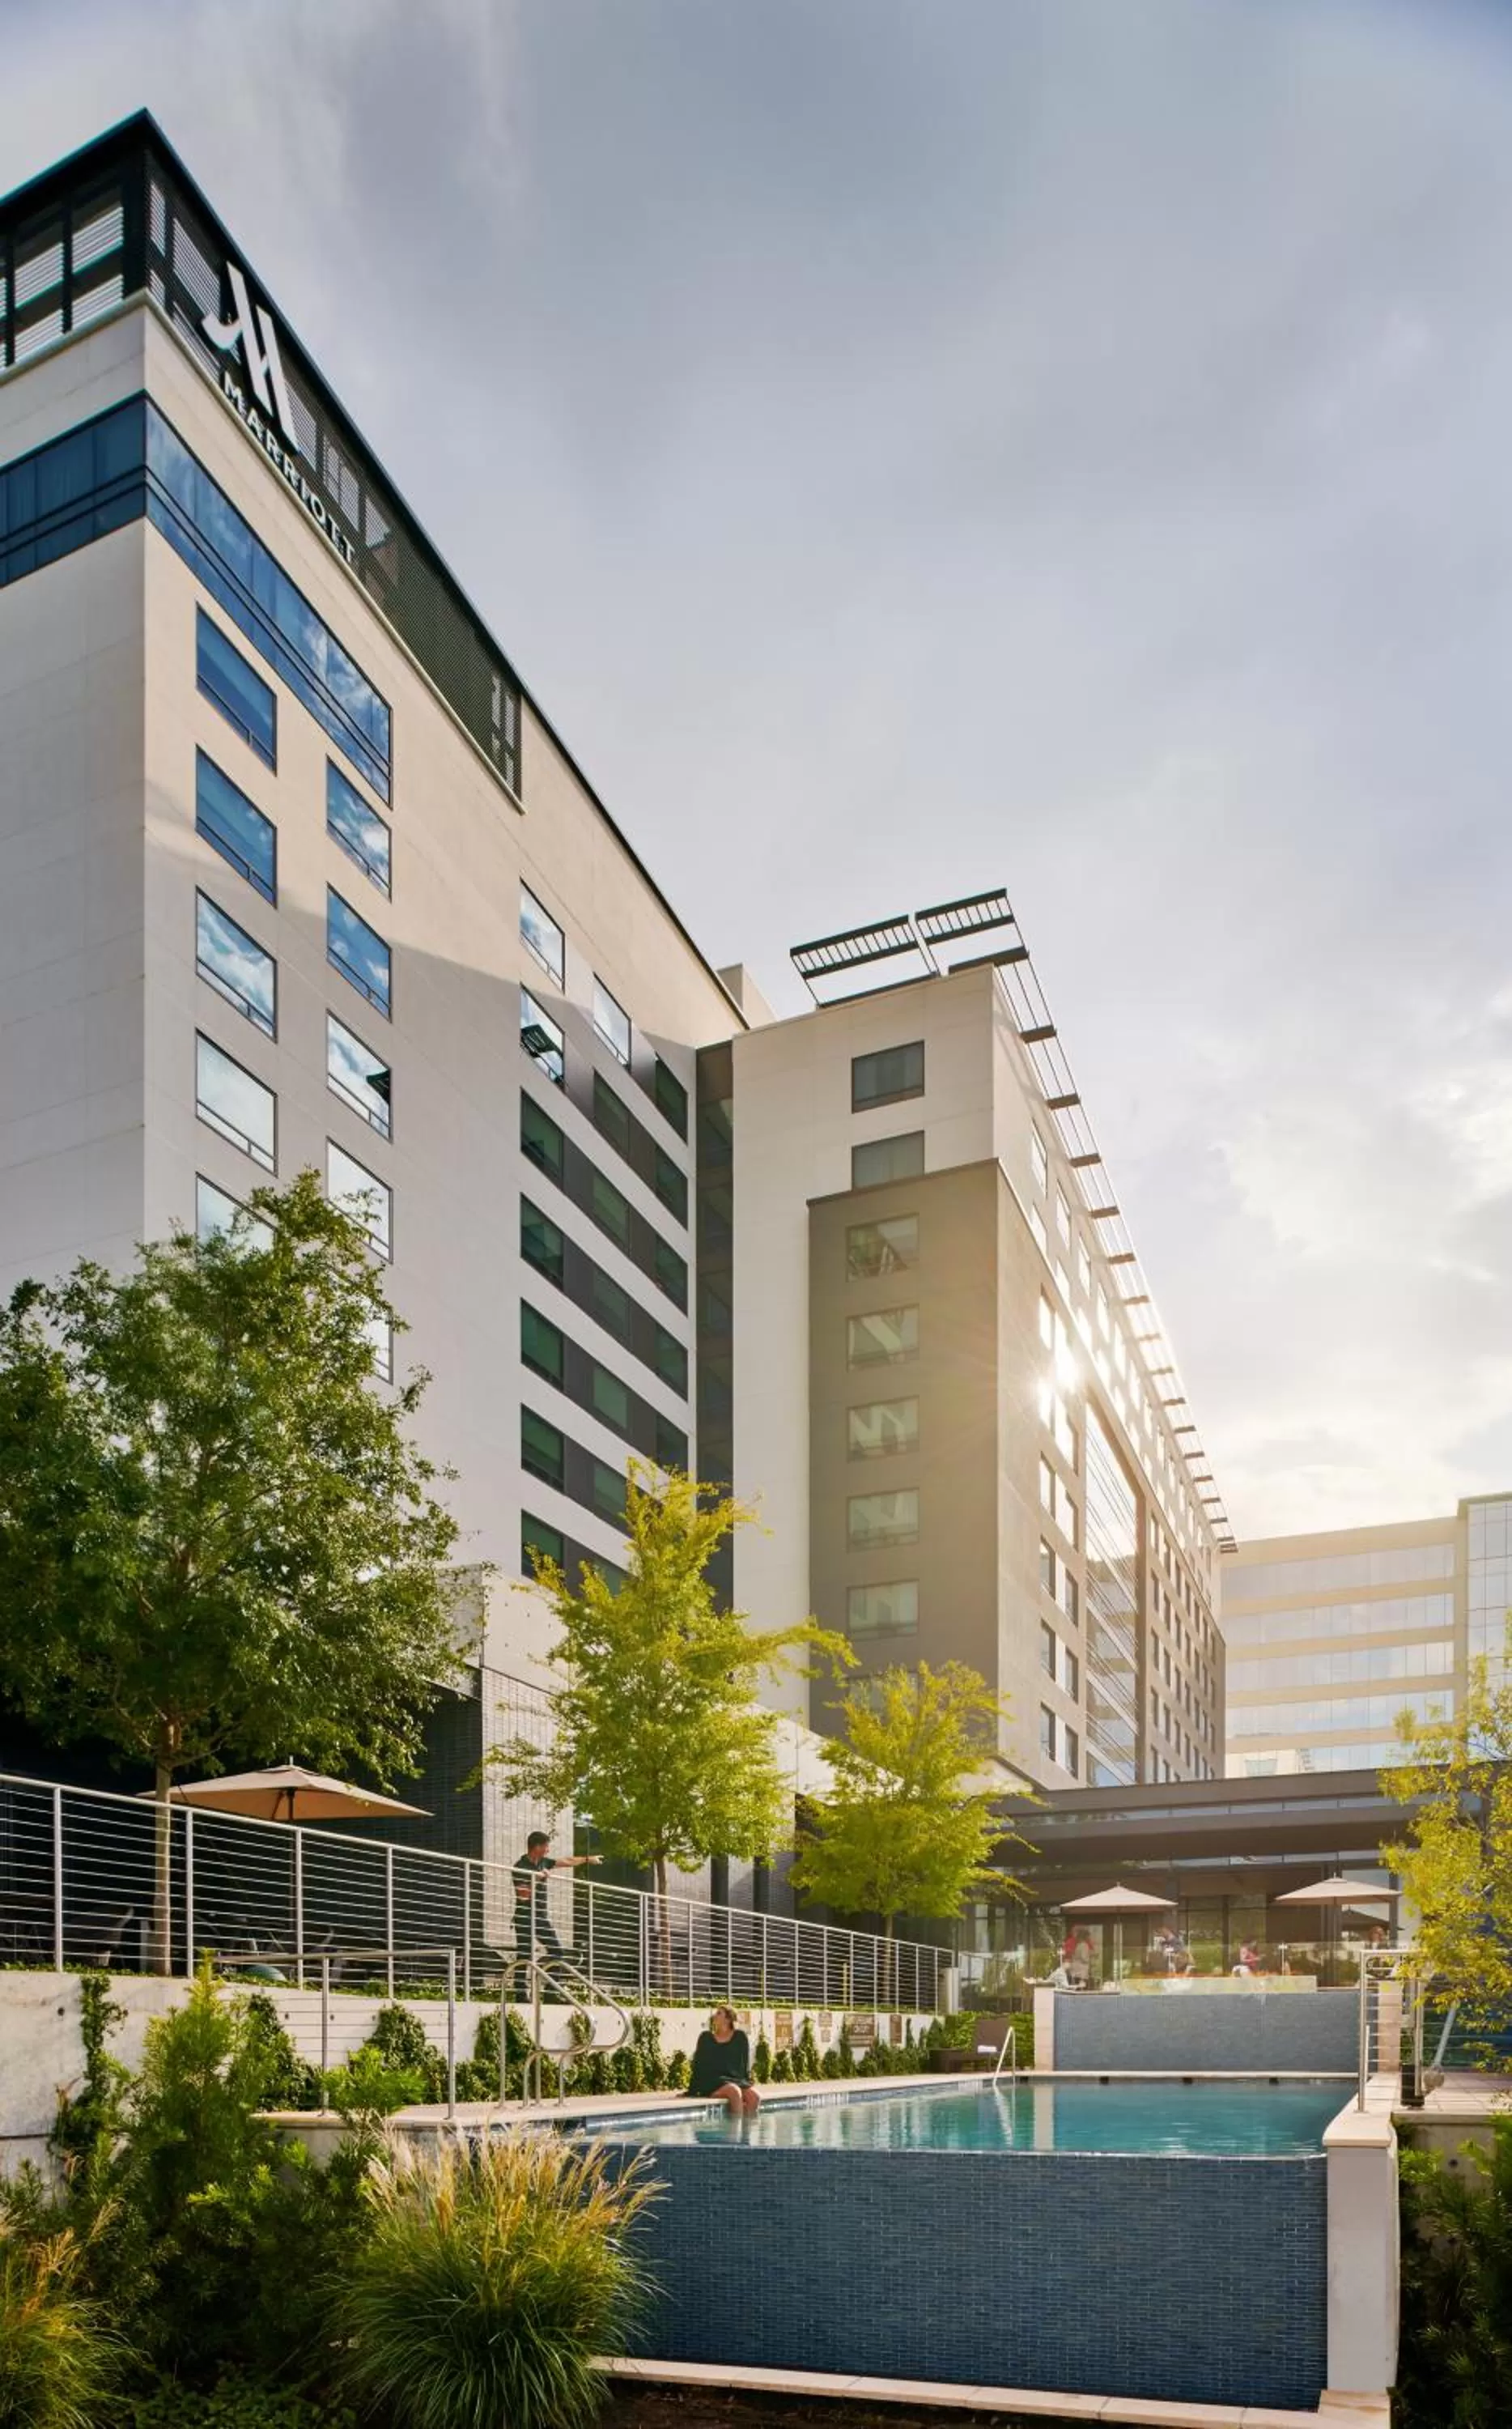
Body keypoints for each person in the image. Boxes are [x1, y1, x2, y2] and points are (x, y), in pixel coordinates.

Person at [512, 1829, 601, 1995]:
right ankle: (520, 1993)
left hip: (540, 1917)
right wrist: (537, 1879)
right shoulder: (520, 1866)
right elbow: (523, 1896)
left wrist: (588, 1859)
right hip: (524, 1917)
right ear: (537, 1847)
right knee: (525, 1954)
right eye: (546, 1847)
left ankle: (551, 1993)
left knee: (557, 1952)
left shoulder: (543, 1862)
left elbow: (567, 1861)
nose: (548, 1850)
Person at [687, 2005, 759, 2114]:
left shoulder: (740, 2037)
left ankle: (746, 2129)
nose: (715, 2016)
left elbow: (744, 2063)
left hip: (733, 2080)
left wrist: (746, 2081)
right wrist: (692, 2090)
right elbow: (698, 2064)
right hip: (711, 2082)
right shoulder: (705, 2038)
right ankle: (736, 2129)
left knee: (754, 2096)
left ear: (728, 2019)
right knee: (734, 2091)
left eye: (719, 2013)